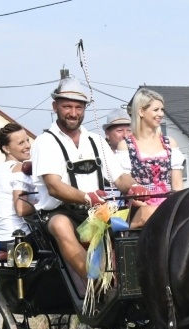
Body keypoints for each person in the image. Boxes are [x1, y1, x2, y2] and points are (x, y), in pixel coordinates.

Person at [31, 77, 134, 280]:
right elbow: (53, 186)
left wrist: (136, 187)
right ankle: (96, 284)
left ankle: (132, 281)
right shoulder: (45, 142)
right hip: (58, 213)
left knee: (140, 219)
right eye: (67, 106)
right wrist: (87, 197)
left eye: (79, 107)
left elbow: (121, 177)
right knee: (60, 225)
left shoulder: (96, 141)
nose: (73, 113)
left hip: (97, 212)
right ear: (55, 106)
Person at [115, 88, 184, 229]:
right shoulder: (126, 146)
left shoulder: (170, 143)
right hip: (139, 206)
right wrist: (147, 204)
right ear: (141, 111)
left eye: (162, 110)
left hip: (168, 204)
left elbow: (177, 186)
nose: (161, 114)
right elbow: (126, 186)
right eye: (156, 110)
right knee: (149, 212)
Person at [0, 123, 36, 249]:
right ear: (6, 149)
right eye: (21, 143)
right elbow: (21, 209)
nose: (28, 146)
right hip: (20, 238)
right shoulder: (19, 169)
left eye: (27, 140)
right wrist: (47, 204)